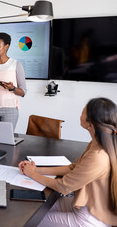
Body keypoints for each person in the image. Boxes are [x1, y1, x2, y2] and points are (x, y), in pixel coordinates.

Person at [19, 97, 117, 226]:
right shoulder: (99, 144)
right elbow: (74, 168)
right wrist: (36, 169)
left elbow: (63, 186)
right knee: (30, 209)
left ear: (90, 125)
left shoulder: (98, 156)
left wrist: (32, 174)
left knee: (30, 221)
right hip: (81, 205)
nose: (80, 113)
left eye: (83, 111)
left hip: (90, 218)